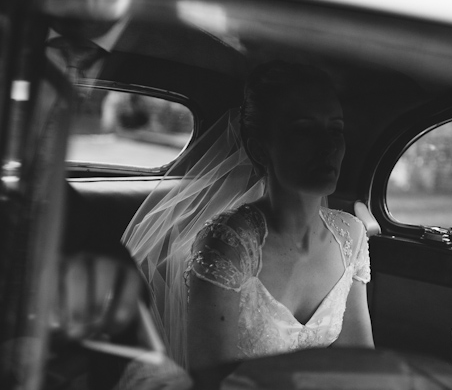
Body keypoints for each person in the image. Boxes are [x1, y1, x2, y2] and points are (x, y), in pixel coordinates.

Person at [123, 61, 373, 385]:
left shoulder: (351, 236)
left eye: (335, 129)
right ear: (260, 148)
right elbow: (212, 382)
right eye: (304, 130)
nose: (328, 146)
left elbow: (363, 365)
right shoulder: (227, 245)